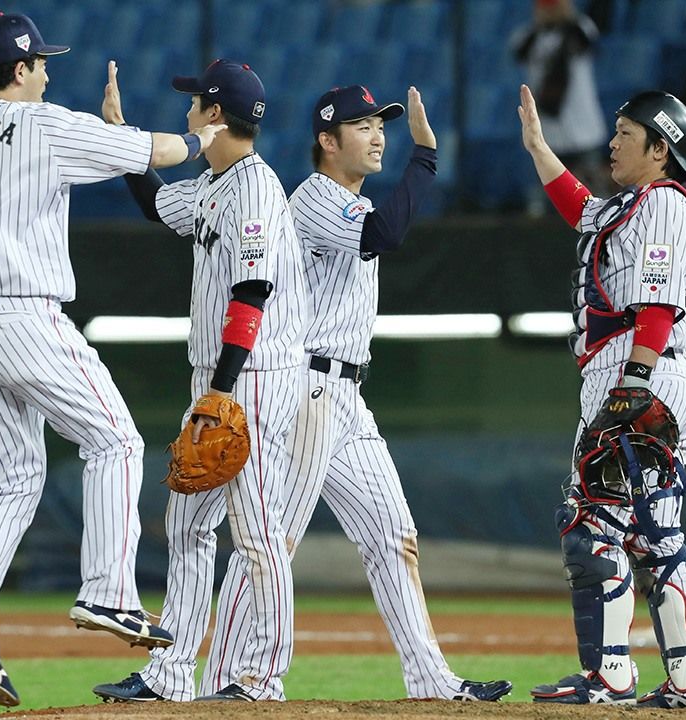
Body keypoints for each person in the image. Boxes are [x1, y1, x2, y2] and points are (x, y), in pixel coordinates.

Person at [0, 13, 223, 708]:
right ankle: (109, 594)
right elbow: (156, 152)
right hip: (22, 310)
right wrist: (202, 136)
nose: (49, 73)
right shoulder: (41, 123)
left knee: (13, 478)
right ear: (21, 68)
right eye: (42, 64)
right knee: (115, 438)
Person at [195, 85, 513, 704]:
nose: (377, 136)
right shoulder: (313, 198)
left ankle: (432, 683)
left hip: (349, 396)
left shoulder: (348, 199)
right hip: (308, 387)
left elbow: (380, 229)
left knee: (394, 537)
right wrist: (425, 155)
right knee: (271, 539)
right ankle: (236, 680)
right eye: (361, 126)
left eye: (381, 125)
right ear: (326, 140)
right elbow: (386, 235)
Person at [91, 58, 306, 703]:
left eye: (193, 104)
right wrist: (122, 136)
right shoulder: (215, 184)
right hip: (221, 378)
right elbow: (158, 204)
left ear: (214, 116)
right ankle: (170, 673)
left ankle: (261, 679)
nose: (186, 112)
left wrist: (221, 387)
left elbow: (251, 291)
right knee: (186, 523)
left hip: (257, 375)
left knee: (258, 528)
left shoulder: (257, 190)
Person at [517, 84, 686, 709]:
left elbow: (656, 301)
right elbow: (580, 207)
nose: (611, 142)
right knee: (656, 537)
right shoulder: (629, 206)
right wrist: (536, 147)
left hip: (640, 374)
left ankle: (610, 676)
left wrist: (632, 387)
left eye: (625, 134)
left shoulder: (663, 202)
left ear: (661, 150)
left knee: (593, 528)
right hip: (643, 374)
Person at [511, 0, 610, 204]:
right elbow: (518, 52)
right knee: (547, 191)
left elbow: (588, 41)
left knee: (592, 191)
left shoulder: (580, 28)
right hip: (547, 127)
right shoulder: (530, 36)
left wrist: (567, 16)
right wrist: (540, 23)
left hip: (582, 124)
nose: (551, 11)